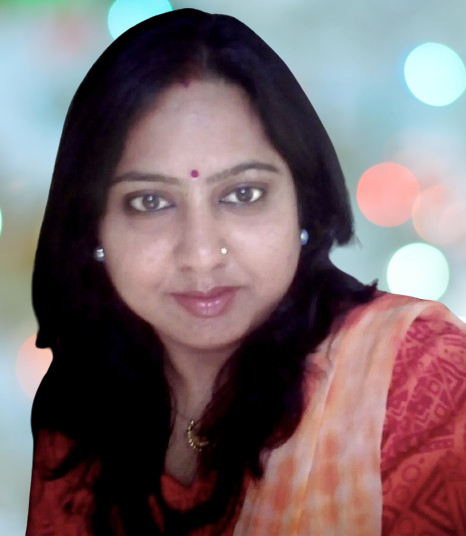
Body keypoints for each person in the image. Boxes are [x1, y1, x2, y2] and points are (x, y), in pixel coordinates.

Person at [25, 8, 466, 536]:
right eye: (150, 201)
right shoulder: (82, 405)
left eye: (243, 194)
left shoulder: (415, 374)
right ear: (92, 226)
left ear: (303, 202)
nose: (201, 254)